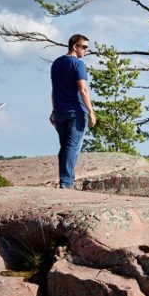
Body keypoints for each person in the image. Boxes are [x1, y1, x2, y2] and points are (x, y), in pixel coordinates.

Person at [50, 33, 96, 188]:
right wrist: (91, 111)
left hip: (60, 111)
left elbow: (54, 90)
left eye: (87, 48)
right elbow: (82, 89)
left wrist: (54, 110)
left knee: (65, 147)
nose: (85, 50)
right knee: (72, 147)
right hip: (76, 111)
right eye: (83, 47)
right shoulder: (78, 64)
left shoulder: (56, 63)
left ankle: (65, 180)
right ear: (75, 46)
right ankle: (66, 182)